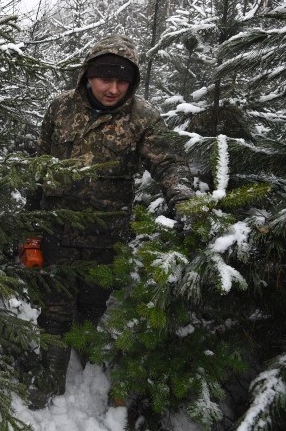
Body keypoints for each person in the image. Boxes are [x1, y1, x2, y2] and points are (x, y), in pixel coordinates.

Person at [30, 34, 194, 407]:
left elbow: (168, 162)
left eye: (123, 81)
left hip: (106, 235)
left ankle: (88, 366)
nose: (113, 88)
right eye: (106, 78)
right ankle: (47, 383)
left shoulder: (144, 117)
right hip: (57, 230)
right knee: (54, 314)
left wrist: (184, 201)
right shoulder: (59, 108)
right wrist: (30, 226)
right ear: (88, 75)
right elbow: (38, 165)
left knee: (92, 308)